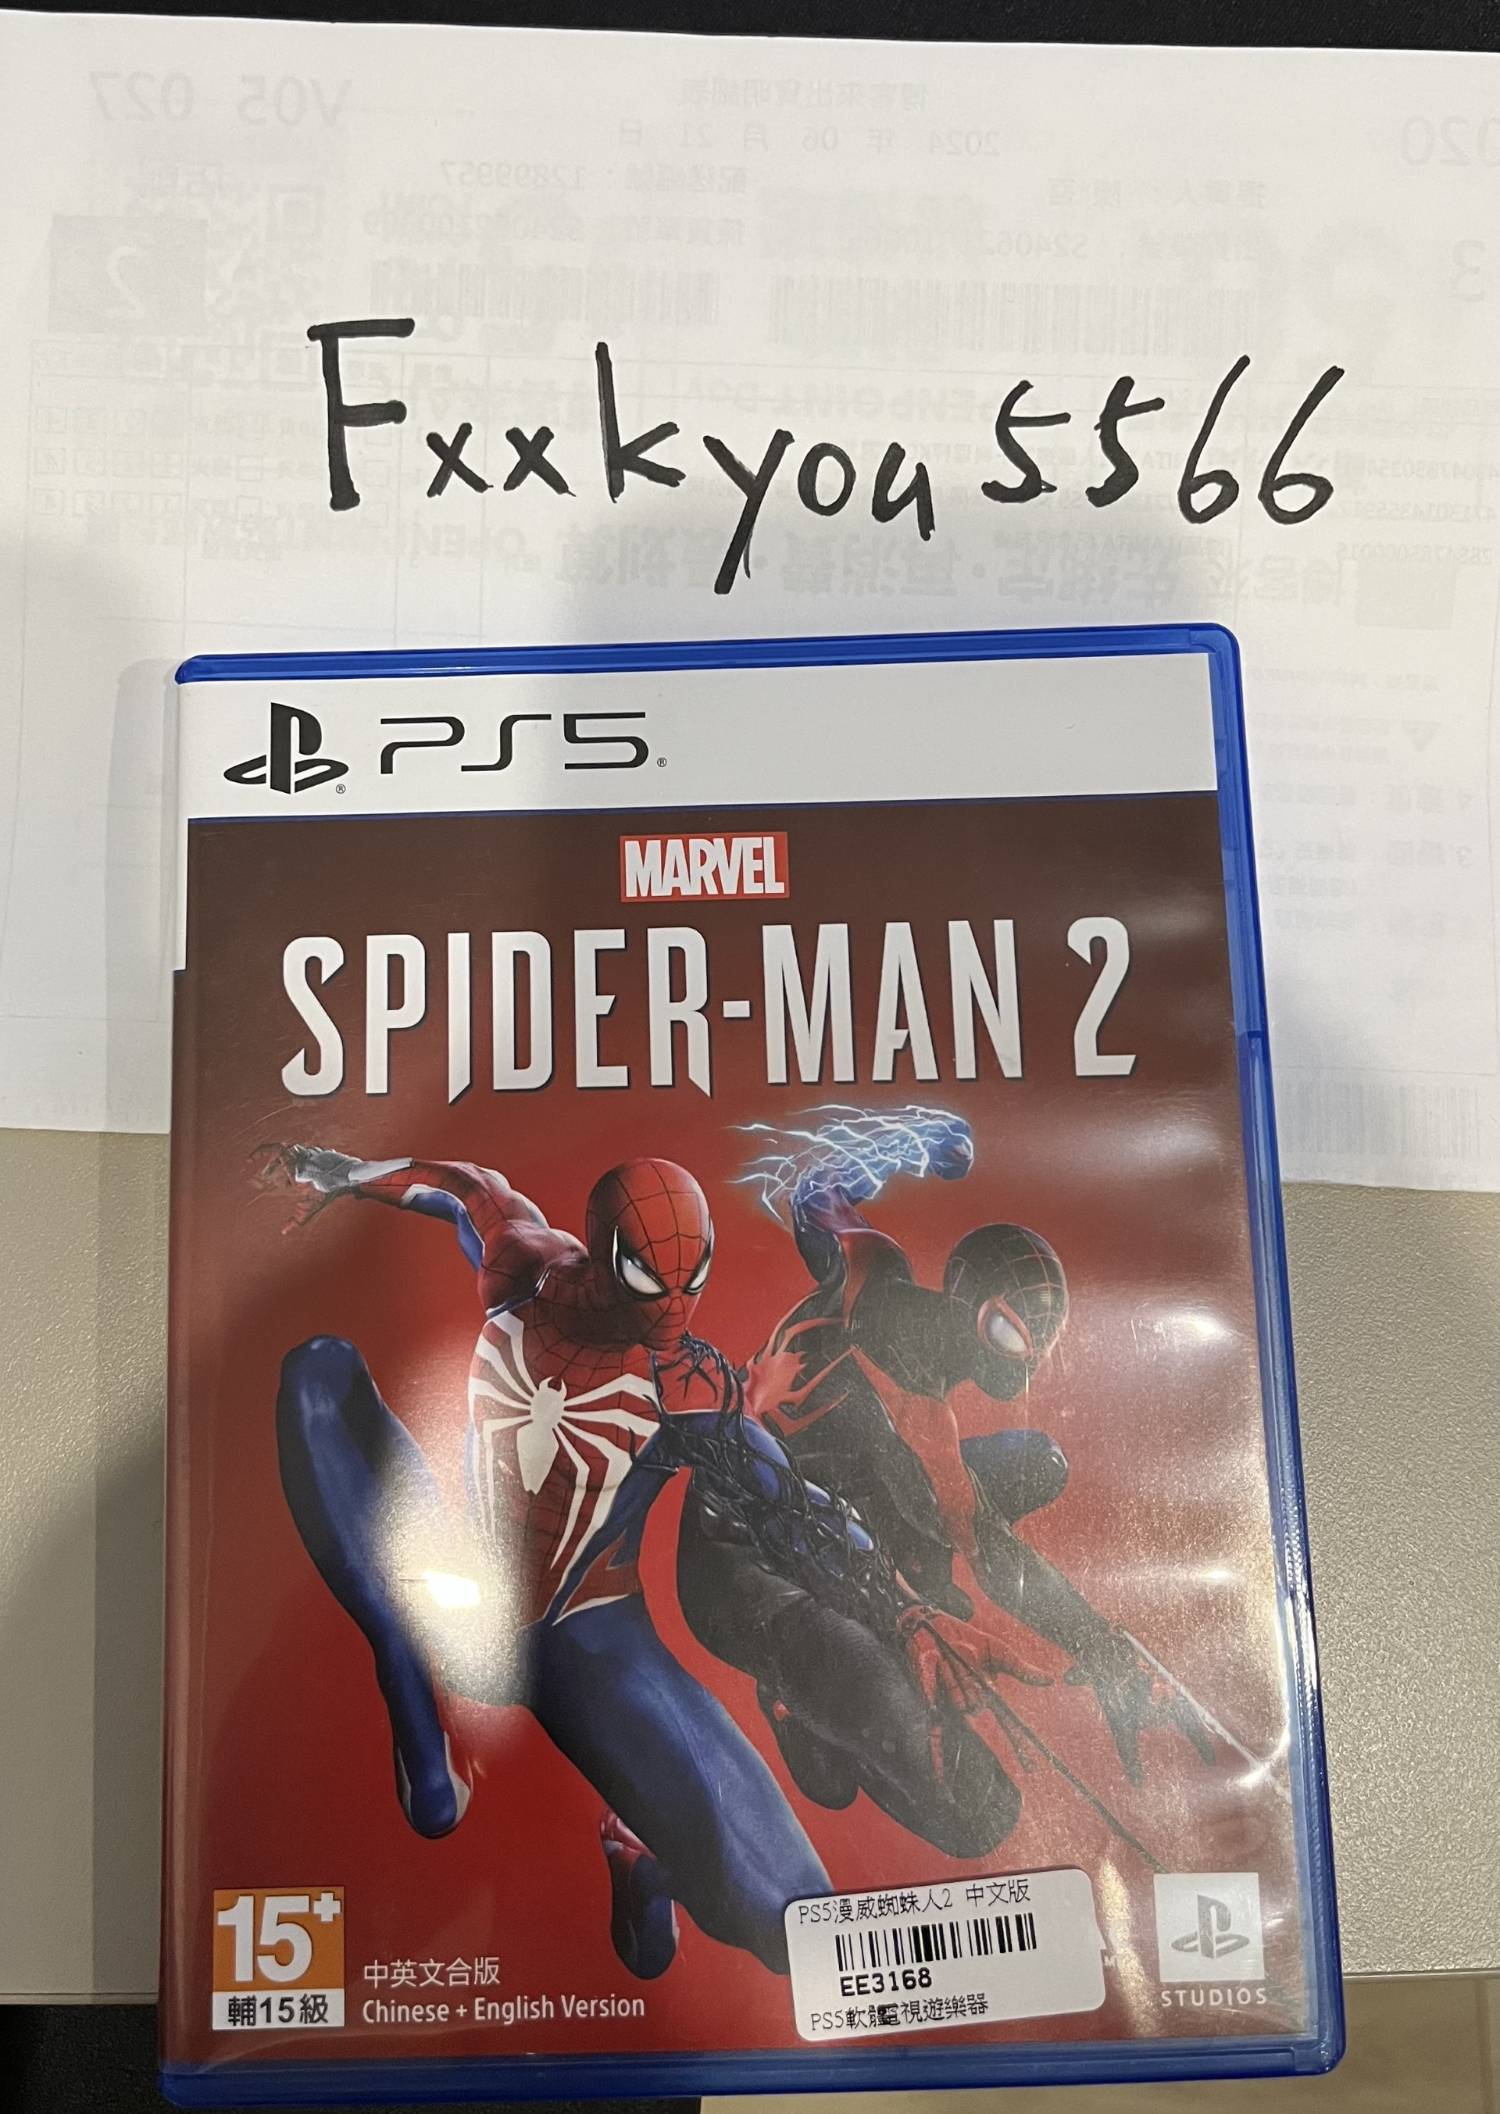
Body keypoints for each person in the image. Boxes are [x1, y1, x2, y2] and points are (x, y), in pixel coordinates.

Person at [258, 1142, 830, 1979]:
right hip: (466, 1590)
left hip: (588, 1642)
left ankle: (644, 1865)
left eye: (692, 1280)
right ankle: (409, 1681)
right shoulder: (525, 1269)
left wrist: (891, 1598)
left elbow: (794, 1506)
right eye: (651, 1280)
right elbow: (465, 1185)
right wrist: (338, 1171)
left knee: (799, 1930)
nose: (673, 1311)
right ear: (603, 1254)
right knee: (318, 1374)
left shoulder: (689, 1390)